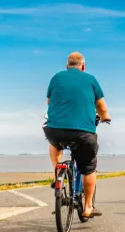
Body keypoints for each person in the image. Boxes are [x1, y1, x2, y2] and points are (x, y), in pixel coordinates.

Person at [44, 52, 110, 219]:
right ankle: (88, 207)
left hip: (55, 129)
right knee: (88, 168)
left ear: (67, 66)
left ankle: (57, 171)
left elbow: (49, 102)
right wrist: (104, 117)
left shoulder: (56, 77)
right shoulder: (90, 79)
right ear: (83, 66)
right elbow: (101, 106)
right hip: (83, 132)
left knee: (54, 144)